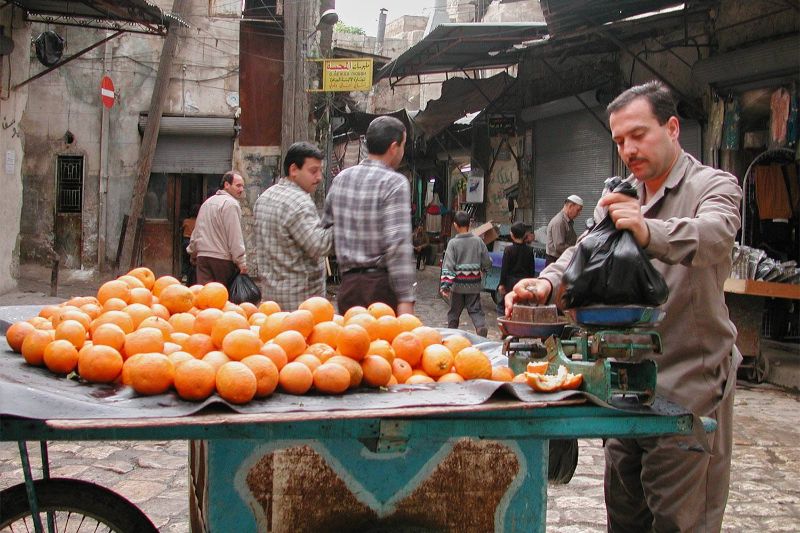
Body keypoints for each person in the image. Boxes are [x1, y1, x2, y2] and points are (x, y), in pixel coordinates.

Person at [506, 80, 742, 532]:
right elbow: (581, 252)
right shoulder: (620, 194)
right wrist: (544, 283)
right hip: (623, 381)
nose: (628, 148)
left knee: (679, 520)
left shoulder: (714, 185)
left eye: (638, 134)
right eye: (618, 140)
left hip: (691, 380)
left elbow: (714, 236)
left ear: (672, 127)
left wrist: (648, 231)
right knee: (626, 515)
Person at [322, 116, 415, 315]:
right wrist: (406, 298)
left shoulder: (341, 179)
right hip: (380, 289)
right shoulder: (394, 183)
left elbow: (326, 231)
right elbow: (398, 244)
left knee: (350, 344)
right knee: (381, 346)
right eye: (403, 145)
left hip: (348, 287)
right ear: (394, 147)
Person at [254, 142, 334, 311]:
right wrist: (342, 222)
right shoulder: (299, 202)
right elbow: (319, 246)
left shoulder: (265, 197)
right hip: (300, 301)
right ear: (293, 170)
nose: (319, 177)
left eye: (320, 171)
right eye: (313, 171)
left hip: (271, 298)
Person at [187, 171, 248, 288]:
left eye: (242, 186)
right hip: (222, 260)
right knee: (221, 298)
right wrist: (242, 262)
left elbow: (197, 231)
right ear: (226, 185)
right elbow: (234, 236)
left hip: (203, 258)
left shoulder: (206, 203)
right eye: (238, 185)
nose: (241, 190)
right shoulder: (231, 204)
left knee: (206, 299)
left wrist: (193, 252)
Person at [439, 211, 492, 337]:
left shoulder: (453, 243)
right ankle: (480, 327)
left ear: (455, 225)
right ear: (470, 224)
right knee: (475, 309)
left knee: (454, 311)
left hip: (457, 285)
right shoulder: (478, 241)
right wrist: (485, 269)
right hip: (473, 284)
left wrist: (445, 285)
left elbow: (448, 265)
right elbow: (486, 261)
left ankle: (451, 333)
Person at [497, 222, 536, 317]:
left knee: (503, 305)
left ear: (512, 235)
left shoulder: (508, 250)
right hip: (524, 283)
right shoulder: (529, 250)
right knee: (522, 306)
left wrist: (501, 284)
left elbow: (504, 269)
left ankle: (505, 322)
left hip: (510, 283)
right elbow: (532, 270)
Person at [545, 194, 583, 265]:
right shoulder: (559, 222)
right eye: (578, 210)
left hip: (561, 259)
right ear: (570, 206)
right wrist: (576, 251)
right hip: (555, 261)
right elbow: (559, 247)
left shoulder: (567, 221)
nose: (579, 214)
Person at [181, 204, 199, 285]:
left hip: (185, 241)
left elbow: (182, 228)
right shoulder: (198, 222)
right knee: (192, 262)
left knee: (185, 260)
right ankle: (190, 277)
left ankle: (184, 275)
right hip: (194, 242)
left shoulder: (186, 221)